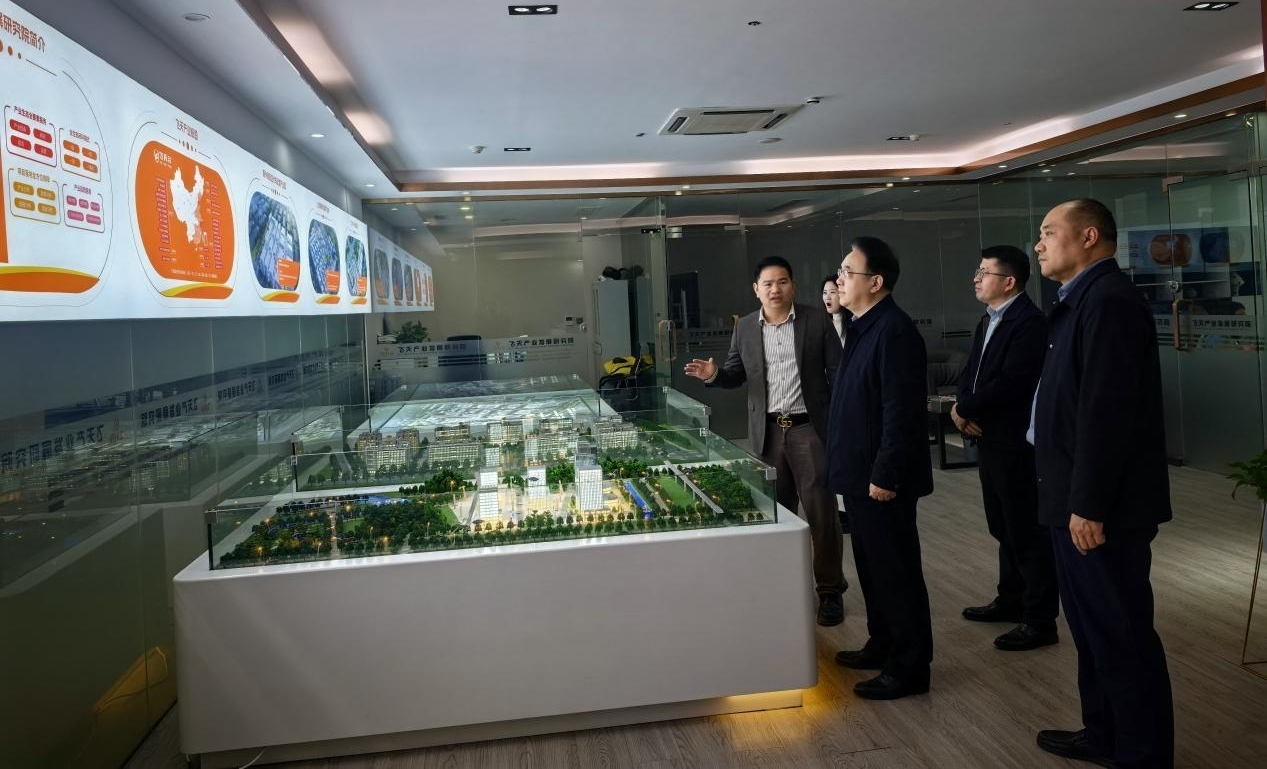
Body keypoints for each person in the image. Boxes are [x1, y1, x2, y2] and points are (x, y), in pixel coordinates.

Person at [1030, 199, 1173, 768]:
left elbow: (1106, 413)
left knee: (1121, 636)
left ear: (1089, 237)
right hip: (1072, 500)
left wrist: (1088, 504)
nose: (1039, 244)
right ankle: (1103, 734)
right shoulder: (1079, 300)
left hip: (1100, 510)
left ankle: (1141, 755)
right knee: (1092, 631)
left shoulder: (1109, 301)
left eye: (1048, 232)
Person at [684, 256, 847, 626]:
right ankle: (784, 586)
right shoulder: (744, 327)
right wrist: (714, 375)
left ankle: (830, 591)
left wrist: (840, 423)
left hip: (808, 429)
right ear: (756, 289)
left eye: (782, 282)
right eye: (768, 284)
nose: (776, 289)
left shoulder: (815, 320)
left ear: (793, 286)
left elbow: (838, 373)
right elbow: (735, 374)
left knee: (821, 514)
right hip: (768, 431)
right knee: (778, 513)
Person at [826, 237, 933, 700]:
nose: (839, 279)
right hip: (859, 475)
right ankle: (882, 643)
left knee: (896, 572)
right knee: (872, 568)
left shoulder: (894, 331)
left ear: (876, 282)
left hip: (881, 480)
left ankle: (909, 667)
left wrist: (886, 474)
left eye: (848, 272)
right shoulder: (861, 326)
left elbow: (900, 413)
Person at [951, 245, 1059, 652]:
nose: (976, 278)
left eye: (984, 273)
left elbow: (1013, 382)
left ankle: (1039, 619)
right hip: (989, 437)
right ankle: (1010, 599)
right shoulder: (988, 319)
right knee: (1001, 524)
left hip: (1015, 441)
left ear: (1009, 281)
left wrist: (965, 408)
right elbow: (971, 372)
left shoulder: (1029, 323)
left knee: (1026, 529)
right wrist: (960, 406)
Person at [822, 274, 850, 534]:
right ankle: (839, 510)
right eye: (825, 293)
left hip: (849, 400)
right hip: (828, 401)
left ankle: (848, 508)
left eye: (833, 291)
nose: (828, 297)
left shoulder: (855, 326)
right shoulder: (821, 326)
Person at [822, 274, 845, 341]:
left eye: (832, 292)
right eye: (825, 293)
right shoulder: (823, 324)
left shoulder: (851, 324)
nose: (827, 297)